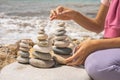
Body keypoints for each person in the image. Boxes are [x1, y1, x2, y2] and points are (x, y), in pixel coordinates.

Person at [50, 0, 120, 80]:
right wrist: (75, 15)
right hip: (114, 46)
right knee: (81, 55)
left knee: (99, 67)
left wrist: (96, 44)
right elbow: (98, 25)